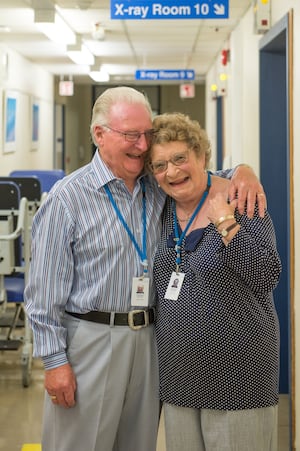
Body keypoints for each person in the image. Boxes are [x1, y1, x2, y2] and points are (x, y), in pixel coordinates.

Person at [24, 87, 266, 451]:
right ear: (99, 134)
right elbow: (42, 292)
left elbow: (193, 170)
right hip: (89, 338)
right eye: (130, 135)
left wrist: (242, 171)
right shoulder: (67, 198)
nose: (141, 145)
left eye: (146, 135)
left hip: (150, 341)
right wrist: (55, 362)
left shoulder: (156, 186)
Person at [147, 112, 282, 451]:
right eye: (160, 165)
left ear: (202, 156)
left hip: (239, 374)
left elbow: (266, 274)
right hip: (179, 376)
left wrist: (225, 223)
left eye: (180, 158)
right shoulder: (160, 211)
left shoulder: (240, 199)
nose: (172, 172)